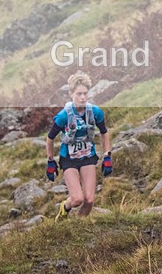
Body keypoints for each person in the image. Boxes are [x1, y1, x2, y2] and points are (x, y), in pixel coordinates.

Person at [45, 72, 112, 220]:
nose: (82, 97)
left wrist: (107, 155)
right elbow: (50, 138)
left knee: (89, 200)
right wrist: (50, 161)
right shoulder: (64, 116)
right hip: (69, 158)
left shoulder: (95, 112)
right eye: (79, 94)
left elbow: (104, 132)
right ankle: (65, 207)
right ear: (71, 94)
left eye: (85, 94)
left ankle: (77, 226)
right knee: (77, 199)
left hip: (88, 156)